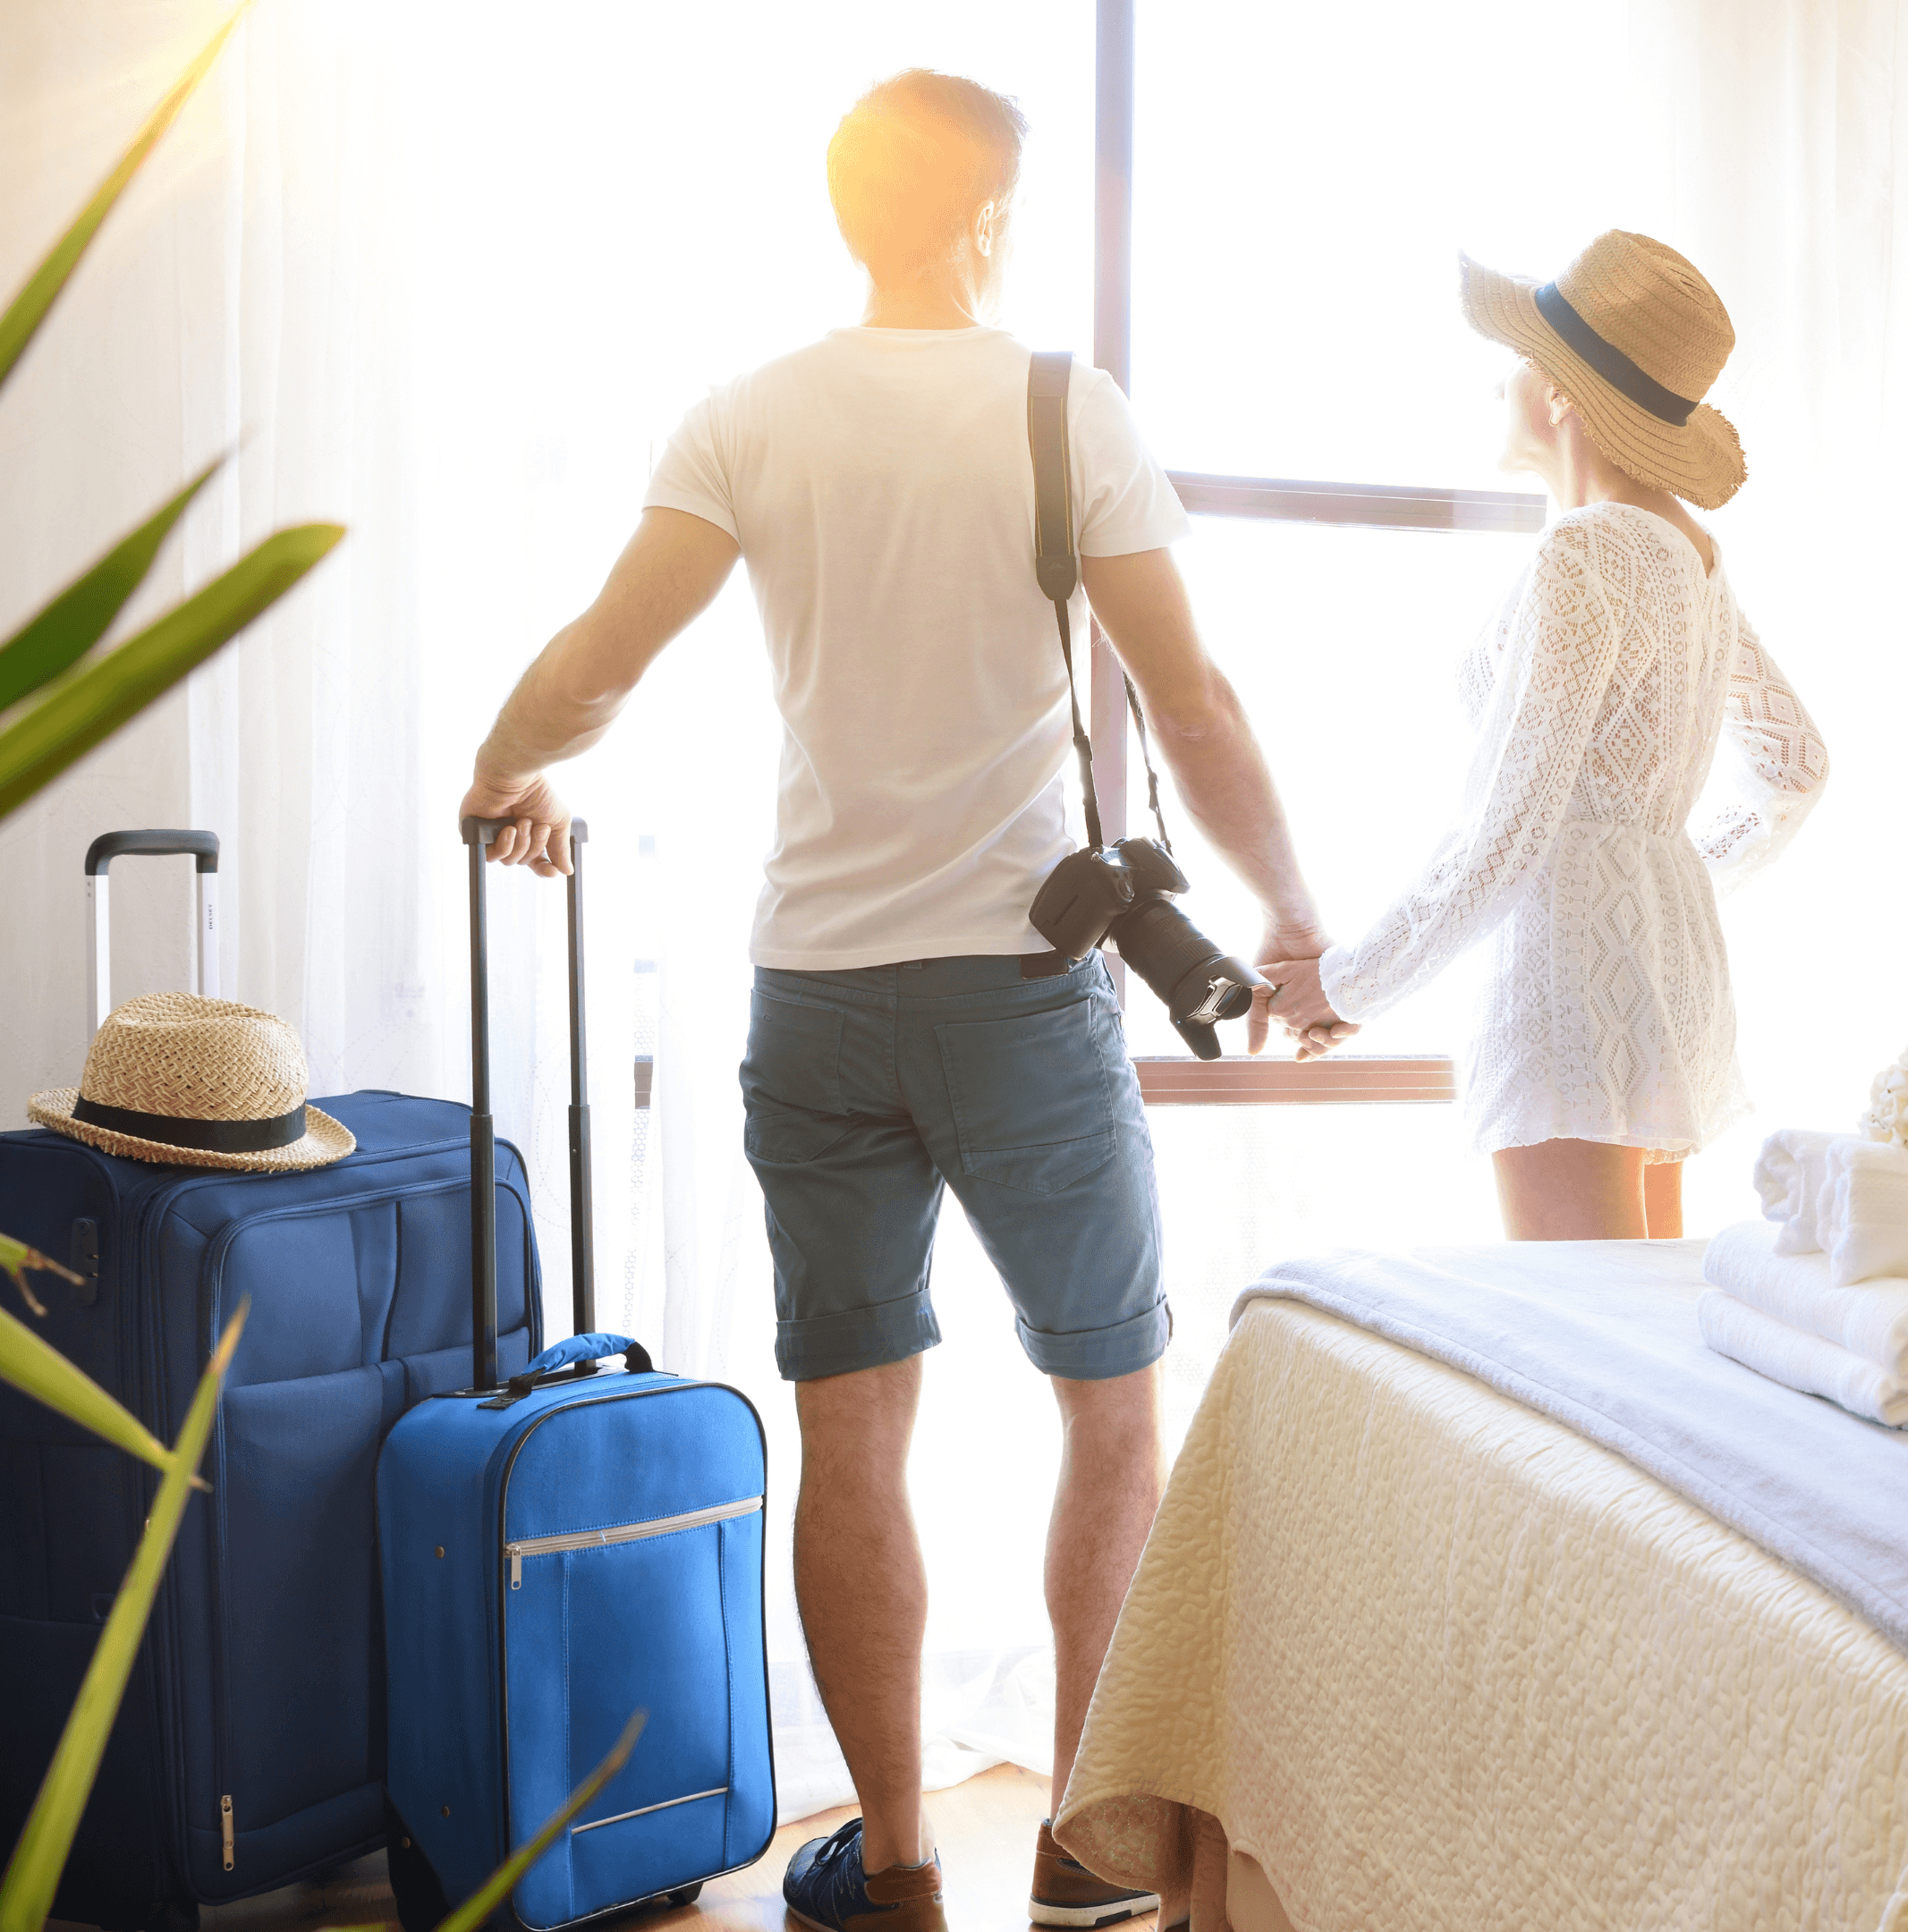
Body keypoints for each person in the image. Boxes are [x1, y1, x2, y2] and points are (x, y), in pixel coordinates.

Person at [459, 70, 1327, 1932]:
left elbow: (603, 659)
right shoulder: (1057, 408)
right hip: (1015, 995)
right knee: (1110, 1405)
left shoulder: (749, 417)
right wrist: (1299, 922)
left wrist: (500, 767)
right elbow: (1194, 706)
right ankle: (1092, 1861)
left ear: (851, 212)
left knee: (852, 1423)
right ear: (991, 219)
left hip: (820, 995)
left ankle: (902, 1861)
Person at [1259, 232, 1827, 1240]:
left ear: (1562, 393)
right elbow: (1794, 767)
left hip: (1571, 985)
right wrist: (1662, 871)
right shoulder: (1685, 553)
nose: (1500, 387)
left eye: (1518, 364)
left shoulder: (1589, 551)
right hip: (1664, 969)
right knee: (1639, 1340)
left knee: (1587, 1349)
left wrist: (1349, 983)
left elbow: (1510, 822)